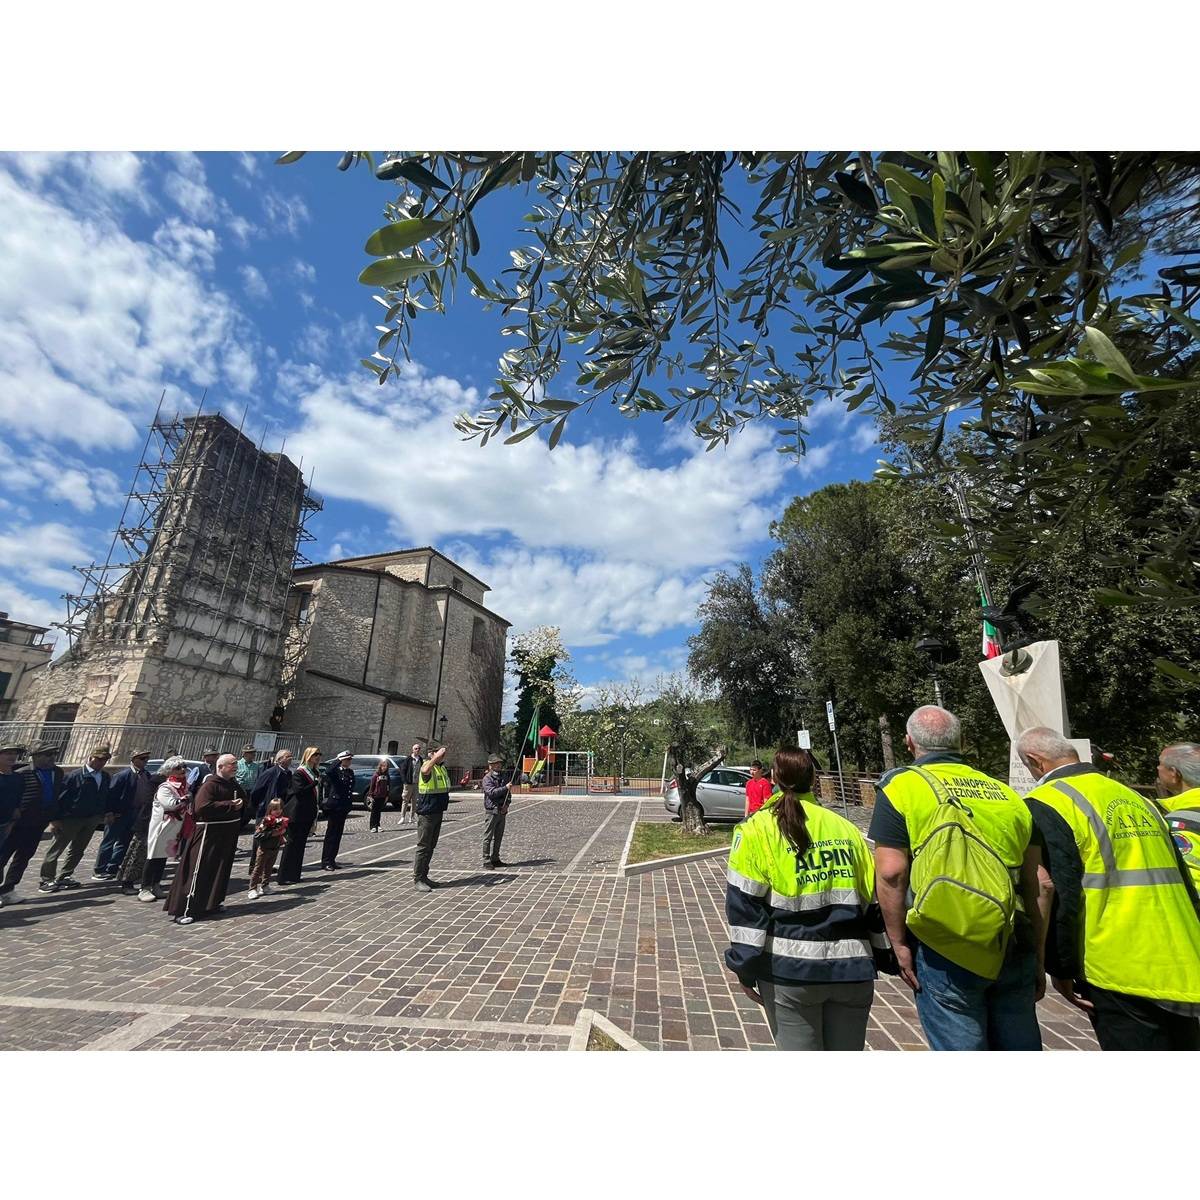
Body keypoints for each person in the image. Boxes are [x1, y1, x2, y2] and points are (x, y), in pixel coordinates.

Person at [870, 705, 1045, 1051]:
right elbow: (1039, 882)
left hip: (944, 941)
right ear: (961, 742)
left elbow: (891, 872)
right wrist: (1038, 955)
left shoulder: (901, 786)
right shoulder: (1007, 793)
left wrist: (898, 943)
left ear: (909, 742)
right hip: (1010, 936)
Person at [1020, 728, 1200, 1050]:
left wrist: (1060, 967)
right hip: (1181, 955)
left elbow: (1057, 889)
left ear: (1035, 762)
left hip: (1117, 963)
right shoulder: (1140, 799)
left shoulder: (1046, 801)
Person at [724, 746, 891, 1050]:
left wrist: (745, 969)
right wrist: (886, 956)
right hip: (853, 970)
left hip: (789, 973)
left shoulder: (756, 830)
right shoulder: (846, 829)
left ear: (774, 778)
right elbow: (874, 902)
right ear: (813, 779)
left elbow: (745, 909)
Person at [164, 753, 245, 925]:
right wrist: (230, 804)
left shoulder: (233, 783)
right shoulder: (210, 784)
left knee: (218, 870)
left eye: (236, 764)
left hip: (226, 833)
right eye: (232, 764)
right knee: (198, 870)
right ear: (220, 767)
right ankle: (186, 909)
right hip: (209, 834)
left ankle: (211, 903)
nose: (235, 767)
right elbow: (201, 807)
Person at [39, 745, 117, 893]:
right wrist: (55, 819)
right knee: (56, 849)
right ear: (90, 758)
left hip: (91, 819)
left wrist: (106, 813)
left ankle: (65, 876)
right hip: (71, 819)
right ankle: (47, 879)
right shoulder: (74, 776)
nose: (101, 762)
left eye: (104, 760)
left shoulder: (105, 776)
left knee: (78, 849)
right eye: (98, 759)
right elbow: (60, 798)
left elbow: (105, 797)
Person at [0, 741, 64, 902]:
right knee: (3, 856)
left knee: (23, 857)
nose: (52, 758)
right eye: (47, 754)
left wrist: (54, 818)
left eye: (54, 754)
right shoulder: (22, 773)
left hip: (38, 823)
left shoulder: (58, 772)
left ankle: (8, 890)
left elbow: (56, 797)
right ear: (35, 756)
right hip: (17, 823)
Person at [92, 750, 154, 881]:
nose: (145, 761)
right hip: (119, 814)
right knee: (109, 841)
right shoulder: (122, 775)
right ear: (134, 759)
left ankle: (113, 867)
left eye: (147, 759)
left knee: (125, 841)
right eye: (142, 758)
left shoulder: (146, 775)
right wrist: (109, 812)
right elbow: (111, 795)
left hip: (136, 814)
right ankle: (100, 869)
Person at [140, 758, 189, 901]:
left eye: (184, 766)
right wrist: (185, 799)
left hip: (173, 827)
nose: (182, 770)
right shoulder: (165, 787)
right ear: (169, 771)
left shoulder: (184, 786)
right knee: (153, 856)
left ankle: (156, 884)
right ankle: (145, 887)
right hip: (161, 827)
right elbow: (170, 804)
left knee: (163, 857)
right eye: (178, 768)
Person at [1159, 742, 1200, 892]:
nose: (1157, 768)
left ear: (1174, 774)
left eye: (1160, 764)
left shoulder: (1181, 823)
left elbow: (1193, 882)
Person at [275, 747, 320, 885]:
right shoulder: (300, 773)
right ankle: (283, 876)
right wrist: (314, 783)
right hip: (296, 813)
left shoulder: (314, 772)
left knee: (300, 845)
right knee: (291, 844)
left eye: (319, 754)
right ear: (308, 756)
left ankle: (294, 874)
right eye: (315, 754)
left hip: (307, 812)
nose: (318, 757)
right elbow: (299, 791)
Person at [414, 745, 451, 892]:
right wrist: (435, 757)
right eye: (439, 753)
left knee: (431, 846)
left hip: (438, 810)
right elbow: (424, 771)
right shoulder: (427, 765)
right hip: (427, 812)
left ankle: (424, 876)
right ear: (431, 754)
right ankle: (418, 879)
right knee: (423, 846)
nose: (442, 756)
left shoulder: (441, 768)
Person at [0, 743, 27, 908]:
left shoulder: (17, 777)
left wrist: (15, 814)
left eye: (14, 753)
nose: (11, 756)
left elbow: (18, 797)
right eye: (7, 753)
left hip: (5, 823)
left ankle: (4, 892)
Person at [247, 797, 289, 900]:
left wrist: (283, 835)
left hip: (275, 848)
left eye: (280, 809)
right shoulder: (266, 821)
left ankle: (265, 886)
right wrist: (272, 833)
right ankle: (252, 888)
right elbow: (257, 835)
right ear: (270, 810)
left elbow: (282, 832)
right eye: (275, 809)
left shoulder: (281, 820)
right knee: (258, 869)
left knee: (269, 868)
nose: (278, 811)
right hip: (264, 848)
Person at [321, 751, 355, 870]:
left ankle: (332, 859)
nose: (349, 761)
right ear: (342, 760)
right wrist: (338, 760)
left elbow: (350, 788)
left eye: (350, 759)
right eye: (347, 759)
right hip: (335, 806)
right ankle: (326, 861)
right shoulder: (336, 771)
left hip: (343, 807)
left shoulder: (349, 772)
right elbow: (328, 771)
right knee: (331, 834)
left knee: (337, 835)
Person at [481, 753, 511, 869]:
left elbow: (508, 794)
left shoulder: (503, 777)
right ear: (490, 765)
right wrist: (505, 788)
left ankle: (496, 858)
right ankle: (486, 860)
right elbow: (492, 793)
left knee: (499, 836)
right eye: (496, 763)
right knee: (488, 837)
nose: (498, 765)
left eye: (499, 763)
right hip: (492, 811)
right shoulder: (487, 778)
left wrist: (507, 805)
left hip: (502, 811)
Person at [235, 745, 261, 829]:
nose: (253, 754)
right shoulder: (237, 764)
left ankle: (242, 825)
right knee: (239, 809)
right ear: (245, 754)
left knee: (249, 810)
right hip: (239, 791)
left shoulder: (256, 766)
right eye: (251, 753)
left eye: (254, 752)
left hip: (250, 791)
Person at [400, 743, 423, 826]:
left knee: (414, 801)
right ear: (413, 750)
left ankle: (411, 817)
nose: (417, 750)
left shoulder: (420, 759)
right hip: (408, 783)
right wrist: (405, 781)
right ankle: (402, 817)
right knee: (405, 800)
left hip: (417, 783)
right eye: (416, 748)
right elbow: (402, 770)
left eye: (419, 748)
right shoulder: (408, 759)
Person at [367, 759, 390, 833]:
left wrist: (387, 795)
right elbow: (372, 786)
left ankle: (378, 825)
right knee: (374, 812)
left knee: (379, 811)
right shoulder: (376, 775)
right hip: (375, 795)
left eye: (386, 766)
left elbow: (388, 786)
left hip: (383, 796)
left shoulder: (387, 775)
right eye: (383, 766)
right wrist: (370, 795)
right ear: (380, 766)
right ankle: (372, 826)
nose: (384, 767)